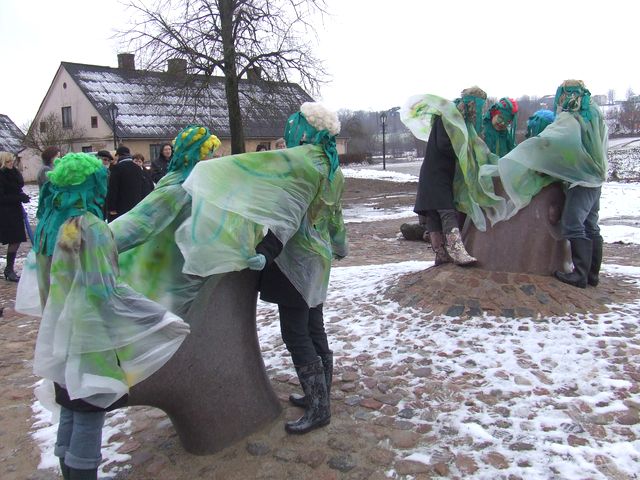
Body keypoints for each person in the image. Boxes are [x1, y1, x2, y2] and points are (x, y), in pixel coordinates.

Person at [175, 102, 348, 435]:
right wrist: (340, 245)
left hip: (296, 262)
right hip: (319, 260)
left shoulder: (301, 164)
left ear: (305, 131)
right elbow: (335, 216)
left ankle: (319, 408)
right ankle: (320, 395)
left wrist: (266, 253)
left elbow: (286, 217)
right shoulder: (331, 165)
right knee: (314, 326)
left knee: (296, 333)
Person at [23, 152, 189, 480]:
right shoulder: (90, 227)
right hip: (90, 337)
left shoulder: (50, 225)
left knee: (70, 406)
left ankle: (69, 471)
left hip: (59, 333)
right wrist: (157, 318)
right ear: (92, 185)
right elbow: (106, 292)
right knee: (88, 412)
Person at [494, 80, 607, 287]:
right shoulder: (593, 114)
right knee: (591, 225)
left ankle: (580, 275)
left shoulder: (572, 118)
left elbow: (550, 140)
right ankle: (592, 274)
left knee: (572, 224)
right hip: (595, 179)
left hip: (581, 181)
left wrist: (523, 155)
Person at [110, 126, 221, 315]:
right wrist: (95, 240)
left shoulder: (201, 184)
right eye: (210, 154)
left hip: (195, 268)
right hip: (175, 271)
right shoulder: (178, 189)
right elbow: (137, 223)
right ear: (197, 157)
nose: (214, 159)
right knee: (181, 321)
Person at [401, 86, 505, 265]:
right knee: (446, 211)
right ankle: (457, 251)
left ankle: (441, 254)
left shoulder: (455, 118)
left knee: (434, 213)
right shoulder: (448, 117)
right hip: (436, 173)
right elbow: (444, 145)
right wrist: (465, 152)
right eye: (479, 107)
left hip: (437, 172)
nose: (479, 112)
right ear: (472, 104)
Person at [0, 151, 29, 281]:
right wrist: (18, 197)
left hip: (15, 211)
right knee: (12, 239)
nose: (11, 163)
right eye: (8, 161)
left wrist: (22, 196)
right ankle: (9, 269)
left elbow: (16, 189)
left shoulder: (14, 173)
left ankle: (9, 269)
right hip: (4, 212)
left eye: (12, 160)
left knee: (16, 240)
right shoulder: (1, 175)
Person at [106, 145, 149, 222]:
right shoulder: (138, 168)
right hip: (136, 206)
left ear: (118, 155)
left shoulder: (117, 168)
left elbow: (113, 189)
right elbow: (144, 187)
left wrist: (112, 208)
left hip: (120, 207)